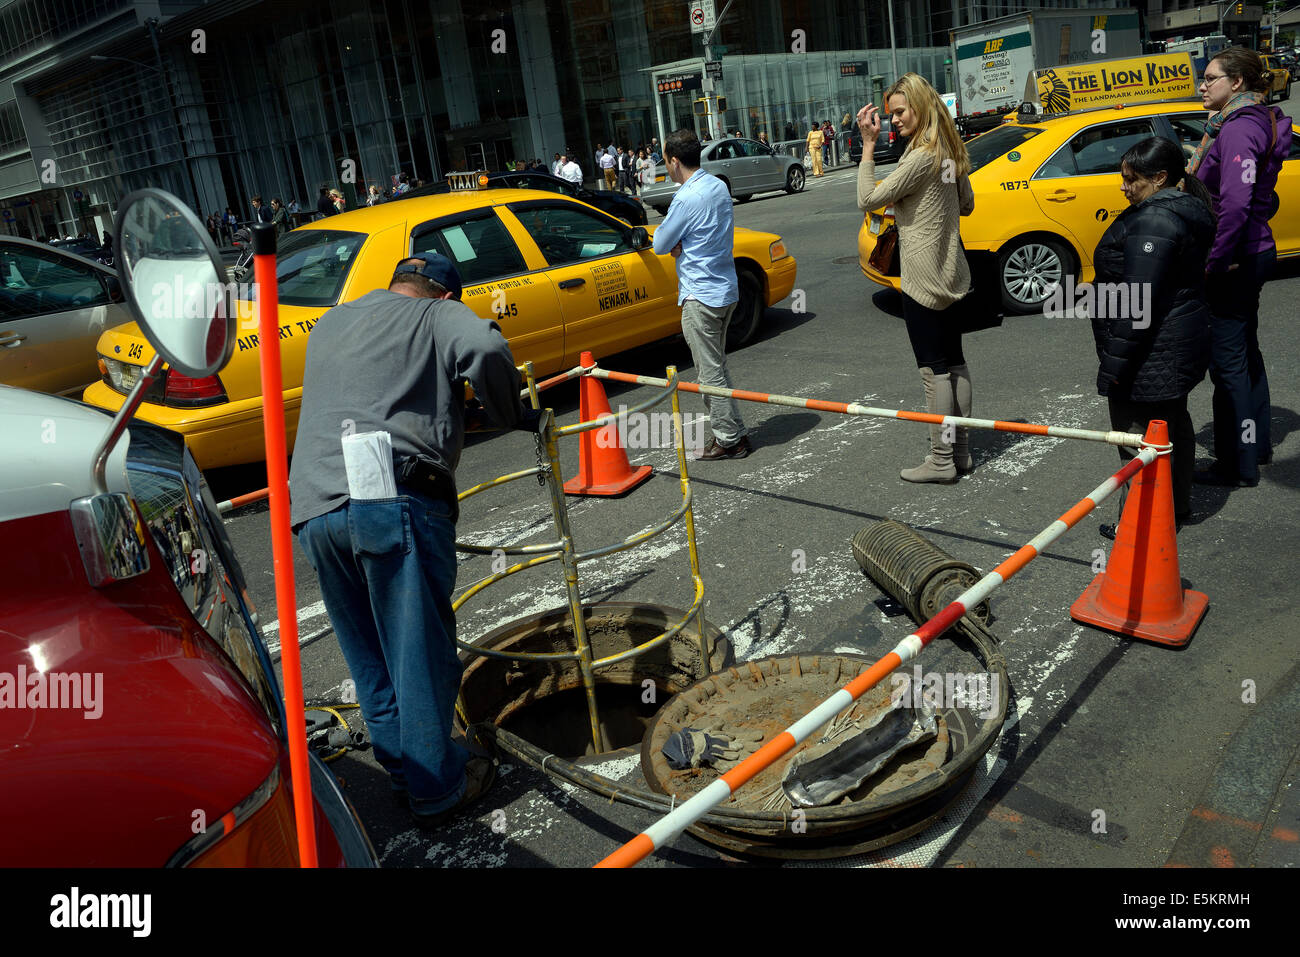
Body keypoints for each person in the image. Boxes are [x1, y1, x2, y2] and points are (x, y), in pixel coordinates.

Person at [290, 252, 531, 828]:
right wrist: (509, 413)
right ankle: (438, 790)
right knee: (417, 649)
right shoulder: (437, 316)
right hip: (388, 496)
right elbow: (489, 352)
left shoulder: (334, 320)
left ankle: (406, 773)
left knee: (369, 654)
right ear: (444, 295)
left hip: (313, 507)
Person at [1091, 137, 1216, 534]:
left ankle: (1139, 525)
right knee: (1171, 425)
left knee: (1135, 438)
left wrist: (1112, 367)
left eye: (1132, 180)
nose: (1124, 187)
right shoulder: (1181, 208)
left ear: (1160, 177)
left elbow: (1134, 304)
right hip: (1176, 339)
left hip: (1153, 348)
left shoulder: (1154, 220)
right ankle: (1174, 508)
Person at [857, 73, 976, 484]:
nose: (894, 121)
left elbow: (867, 199)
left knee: (934, 370)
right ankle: (960, 453)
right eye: (891, 115)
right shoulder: (950, 150)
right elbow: (967, 205)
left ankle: (940, 460)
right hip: (952, 268)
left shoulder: (920, 155)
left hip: (922, 275)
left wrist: (868, 147)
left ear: (921, 107)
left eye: (900, 112)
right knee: (955, 362)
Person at [1189, 47, 1292, 488]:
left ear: (1237, 83)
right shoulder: (1251, 121)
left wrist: (1215, 262)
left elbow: (1234, 204)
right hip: (1251, 251)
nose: (1202, 85)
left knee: (1228, 362)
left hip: (1236, 257)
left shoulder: (1238, 130)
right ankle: (1257, 445)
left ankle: (1238, 461)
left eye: (1210, 78)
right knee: (1245, 353)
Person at [652, 129, 750, 460]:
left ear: (675, 161)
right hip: (725, 287)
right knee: (717, 365)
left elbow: (660, 243)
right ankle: (734, 431)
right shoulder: (717, 185)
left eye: (666, 161)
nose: (665, 166)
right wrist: (684, 243)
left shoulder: (685, 198)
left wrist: (678, 246)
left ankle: (728, 438)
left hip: (701, 294)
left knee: (709, 372)